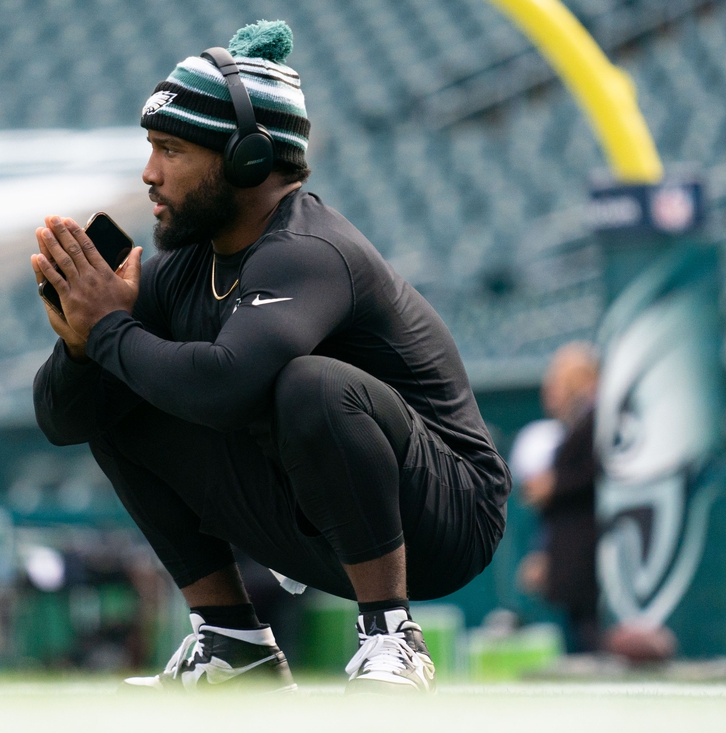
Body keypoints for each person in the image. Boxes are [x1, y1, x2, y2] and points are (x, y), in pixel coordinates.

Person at [31, 20, 510, 694]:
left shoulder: (308, 250)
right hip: (311, 516)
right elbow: (62, 420)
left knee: (310, 385)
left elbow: (227, 385)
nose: (149, 172)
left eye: (171, 149)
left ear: (248, 159)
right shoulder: (183, 266)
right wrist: (82, 348)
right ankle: (232, 641)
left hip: (444, 519)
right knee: (121, 389)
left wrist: (110, 327)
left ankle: (392, 639)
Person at [518, 342, 600, 653]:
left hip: (590, 561)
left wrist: (554, 484)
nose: (552, 389)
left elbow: (598, 471)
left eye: (561, 380)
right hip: (571, 562)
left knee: (589, 637)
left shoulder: (599, 420)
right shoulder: (573, 427)